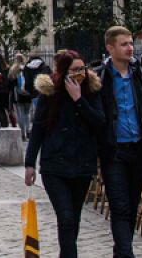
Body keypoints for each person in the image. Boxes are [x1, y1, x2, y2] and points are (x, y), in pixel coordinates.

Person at [25, 51, 105, 258]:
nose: (80, 74)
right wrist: (29, 163)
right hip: (55, 165)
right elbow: (38, 130)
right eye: (74, 70)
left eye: (82, 69)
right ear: (63, 72)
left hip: (82, 164)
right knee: (66, 217)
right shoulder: (50, 94)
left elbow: (99, 122)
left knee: (74, 219)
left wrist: (79, 99)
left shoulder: (92, 91)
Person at [96, 26, 142, 258]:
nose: (130, 47)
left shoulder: (140, 75)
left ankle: (121, 252)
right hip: (114, 151)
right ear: (110, 48)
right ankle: (126, 253)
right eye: (124, 44)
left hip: (138, 148)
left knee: (132, 205)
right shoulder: (100, 78)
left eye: (131, 42)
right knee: (119, 205)